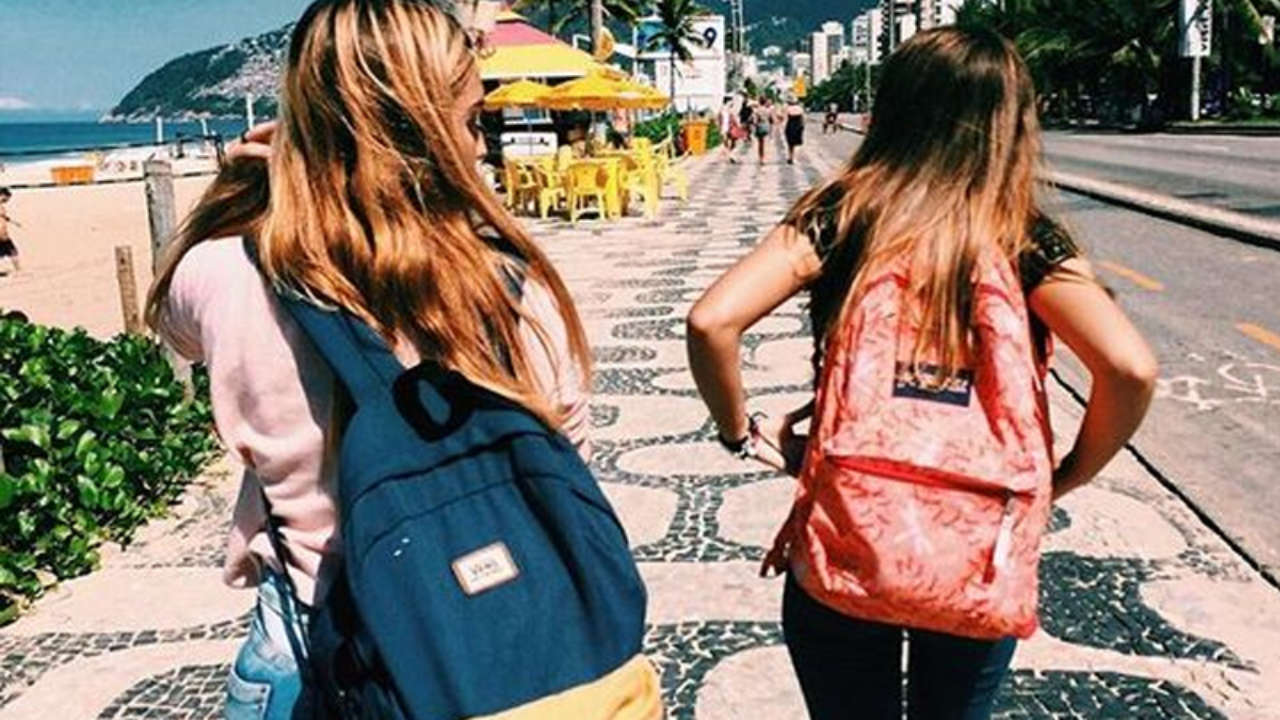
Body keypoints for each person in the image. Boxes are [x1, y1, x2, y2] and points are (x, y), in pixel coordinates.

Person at [145, 2, 606, 717]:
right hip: (493, 645)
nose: (479, 149)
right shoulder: (510, 286)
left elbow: (172, 325)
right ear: (425, 135)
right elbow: (566, 452)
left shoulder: (227, 273)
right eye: (470, 123)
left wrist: (240, 187)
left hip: (309, 648)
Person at [686, 27, 1157, 720]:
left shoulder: (842, 214)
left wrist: (742, 433)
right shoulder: (1023, 236)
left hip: (848, 534)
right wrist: (1065, 476)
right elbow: (1130, 367)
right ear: (1009, 123)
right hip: (976, 546)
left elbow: (711, 321)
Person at [0, 187, 21, 274]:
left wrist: (9, 220)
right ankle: (18, 270)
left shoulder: (1, 207)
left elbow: (3, 216)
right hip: (2, 234)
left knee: (12, 251)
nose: (7, 200)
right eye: (6, 198)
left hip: (3, 233)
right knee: (12, 251)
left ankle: (18, 269)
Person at [783, 95, 806, 165]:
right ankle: (793, 157)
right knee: (795, 143)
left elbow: (785, 118)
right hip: (798, 126)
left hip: (790, 126)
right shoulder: (800, 108)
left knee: (790, 143)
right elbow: (803, 118)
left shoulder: (787, 108)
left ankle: (790, 157)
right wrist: (802, 127)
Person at [752, 98, 775, 164]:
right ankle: (764, 158)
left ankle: (761, 158)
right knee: (765, 143)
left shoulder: (757, 110)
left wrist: (755, 125)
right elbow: (772, 119)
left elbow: (755, 121)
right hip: (766, 126)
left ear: (759, 102)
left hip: (759, 127)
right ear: (765, 102)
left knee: (760, 143)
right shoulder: (768, 110)